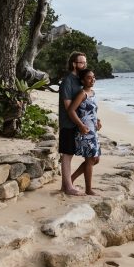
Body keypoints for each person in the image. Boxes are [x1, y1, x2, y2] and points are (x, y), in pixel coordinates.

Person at [58, 51, 86, 196]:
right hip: (68, 123)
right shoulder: (68, 81)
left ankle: (66, 185)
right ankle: (68, 187)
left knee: (71, 153)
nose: (84, 65)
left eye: (85, 62)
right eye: (81, 62)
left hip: (76, 123)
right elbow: (69, 108)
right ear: (74, 64)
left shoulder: (78, 80)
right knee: (67, 155)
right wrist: (80, 124)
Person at [69, 68, 101, 195]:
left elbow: (92, 111)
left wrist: (98, 120)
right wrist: (81, 125)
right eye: (89, 77)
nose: (92, 79)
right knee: (91, 159)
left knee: (95, 159)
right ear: (82, 80)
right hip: (85, 131)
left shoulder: (92, 93)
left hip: (93, 131)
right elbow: (71, 110)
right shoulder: (82, 94)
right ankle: (88, 189)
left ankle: (71, 179)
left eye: (93, 77)